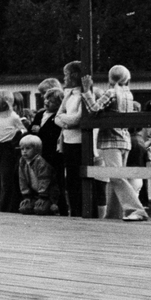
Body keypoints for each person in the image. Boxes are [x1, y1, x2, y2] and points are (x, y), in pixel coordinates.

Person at [82, 64, 144, 221]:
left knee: (116, 177)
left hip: (110, 140)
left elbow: (94, 109)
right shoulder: (128, 95)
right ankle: (113, 214)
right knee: (116, 176)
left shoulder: (111, 93)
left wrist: (87, 91)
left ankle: (136, 209)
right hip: (125, 139)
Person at [55, 61, 88, 217]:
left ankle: (82, 210)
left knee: (79, 177)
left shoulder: (84, 94)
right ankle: (73, 210)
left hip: (79, 142)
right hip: (68, 141)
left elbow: (77, 119)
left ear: (74, 75)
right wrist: (66, 121)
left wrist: (65, 121)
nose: (64, 78)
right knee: (70, 179)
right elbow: (56, 117)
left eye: (66, 74)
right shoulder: (68, 93)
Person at [0, 89, 25, 213]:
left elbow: (23, 130)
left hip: (7, 150)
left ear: (5, 103)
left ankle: (6, 209)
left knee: (6, 181)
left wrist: (17, 138)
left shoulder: (13, 117)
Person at [17, 135, 59, 215]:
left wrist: (43, 196)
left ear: (36, 149)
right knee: (24, 208)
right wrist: (26, 196)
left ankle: (52, 206)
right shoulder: (22, 162)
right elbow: (22, 179)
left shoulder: (41, 163)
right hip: (34, 194)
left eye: (28, 148)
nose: (24, 151)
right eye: (22, 149)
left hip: (47, 194)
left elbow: (44, 180)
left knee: (40, 210)